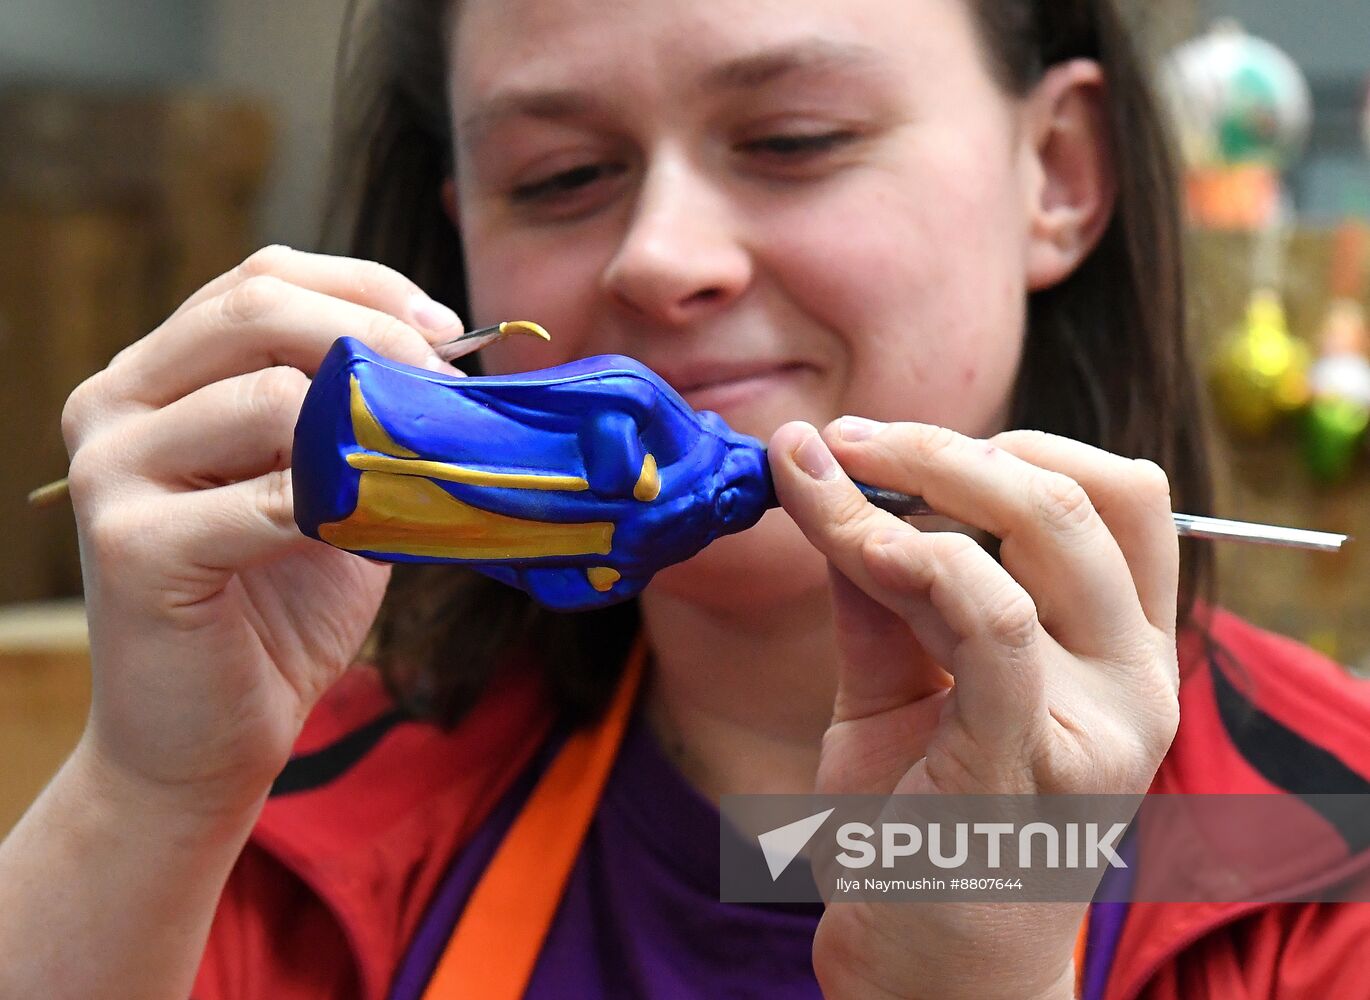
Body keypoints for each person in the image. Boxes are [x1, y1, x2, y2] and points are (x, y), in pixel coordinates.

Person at [3, 0, 1369, 997]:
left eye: (790, 139)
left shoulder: (1324, 844)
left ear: (1056, 175)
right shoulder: (288, 827)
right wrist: (148, 801)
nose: (660, 259)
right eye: (560, 177)